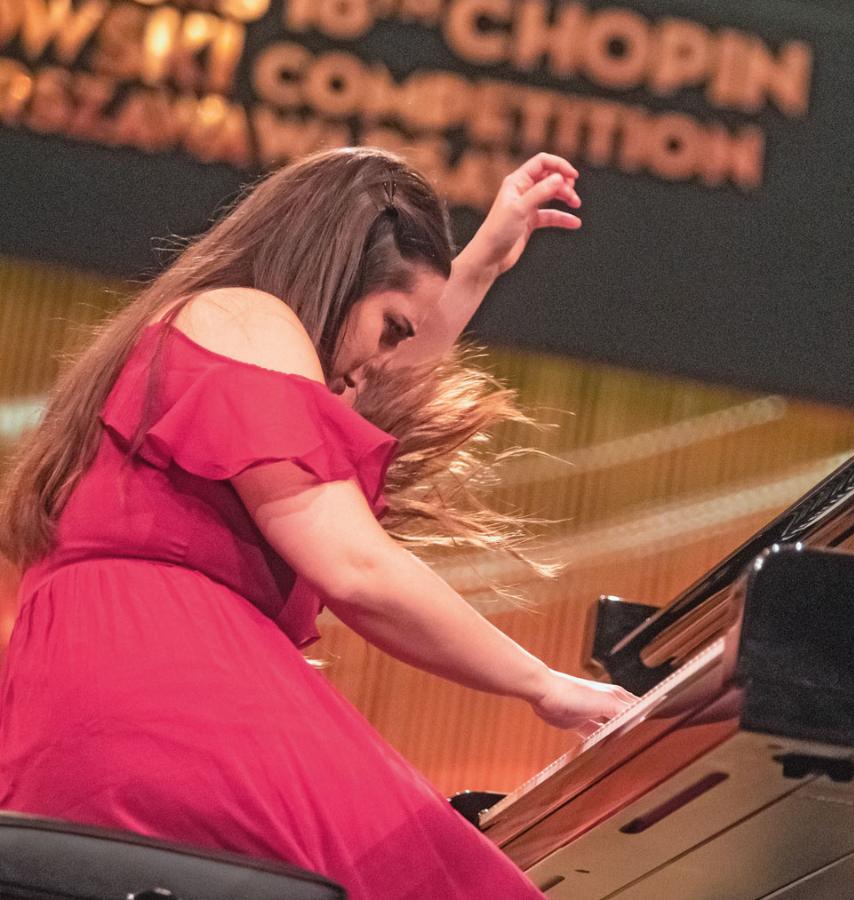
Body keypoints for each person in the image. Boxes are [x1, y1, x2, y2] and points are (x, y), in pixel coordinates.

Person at [0, 147, 636, 898]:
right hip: (164, 714)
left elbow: (380, 364)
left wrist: (480, 266)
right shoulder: (247, 316)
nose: (379, 366)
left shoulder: (213, 330)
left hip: (93, 714)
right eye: (392, 328)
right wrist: (546, 686)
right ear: (336, 276)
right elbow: (356, 567)